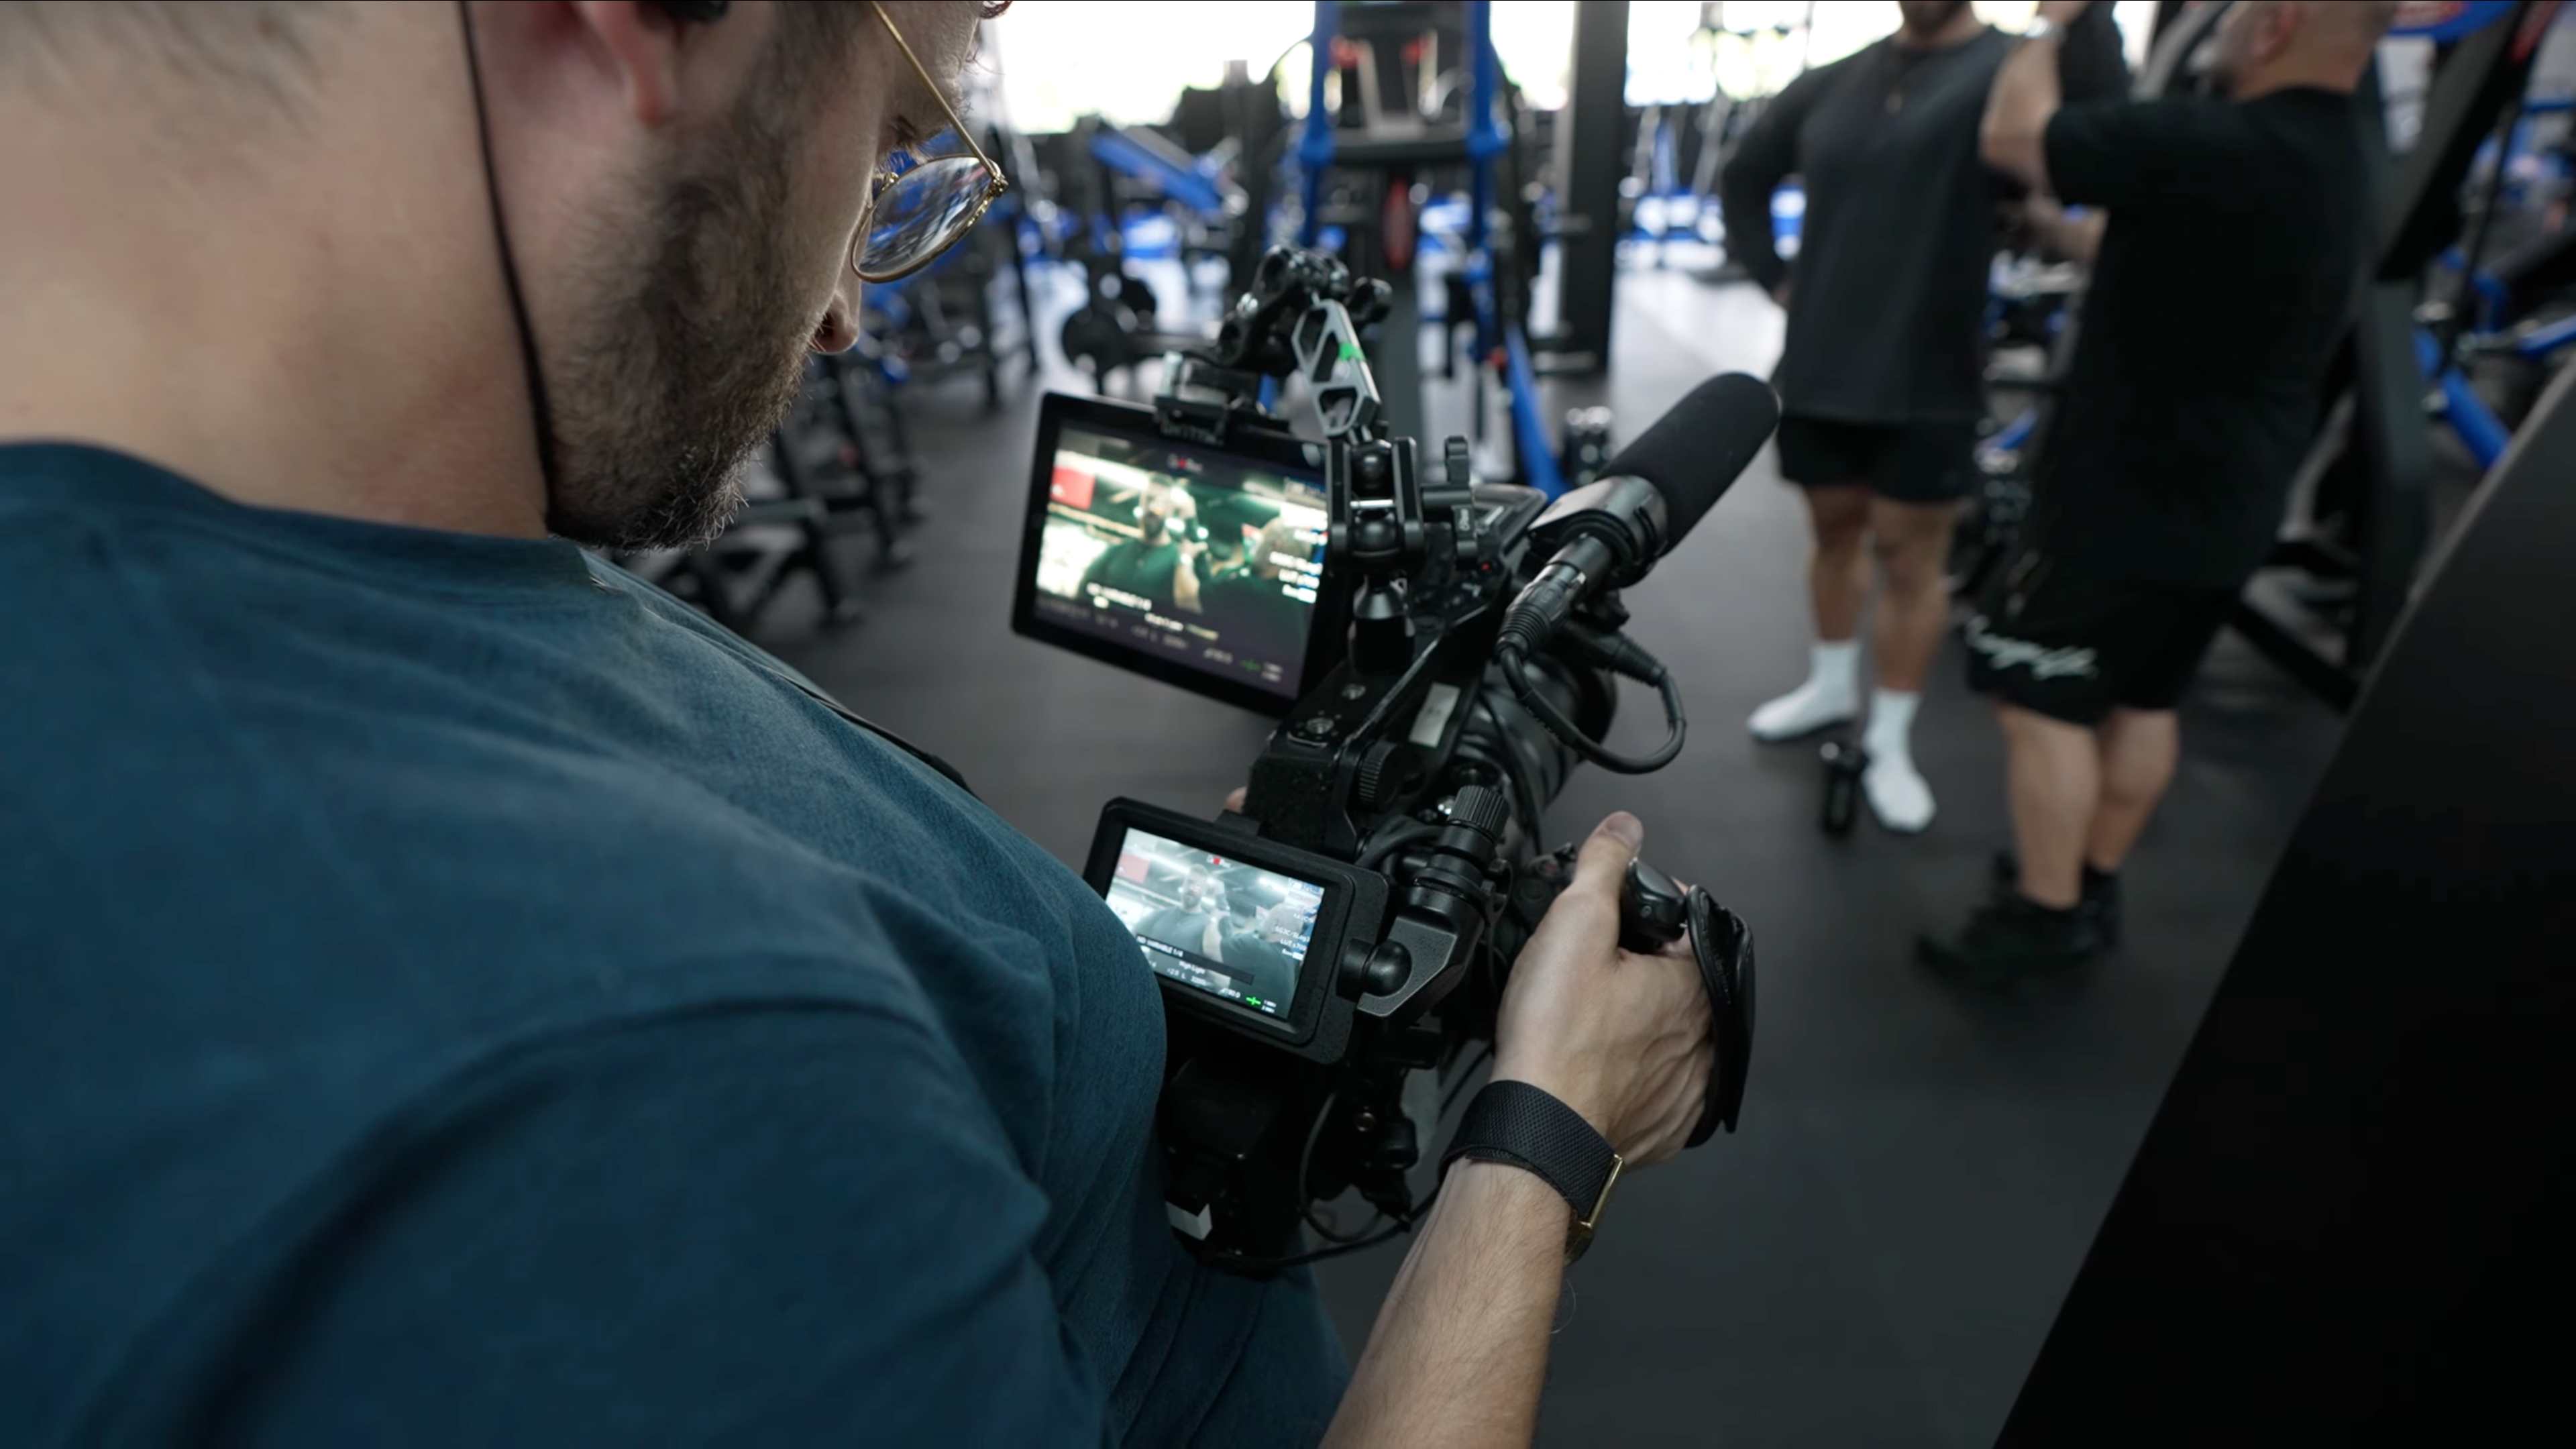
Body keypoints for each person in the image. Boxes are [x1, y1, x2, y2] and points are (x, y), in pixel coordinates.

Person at [0, 2, 1719, 1444]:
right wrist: (1542, 1127)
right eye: (892, 125)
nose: (844, 302)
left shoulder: (392, 565)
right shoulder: (628, 1064)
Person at [1918, 0, 2396, 979]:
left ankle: (2044, 915)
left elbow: (2013, 137)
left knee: (2037, 698)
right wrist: (2064, 232)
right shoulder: (2344, 156)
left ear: (2276, 26)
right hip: (2236, 498)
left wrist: (2048, 27)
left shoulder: (2208, 136)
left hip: (2124, 492)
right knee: (2144, 698)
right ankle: (2089, 882)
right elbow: (2189, 250)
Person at [1719, 0, 2127, 833]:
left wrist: (2064, 29)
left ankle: (1892, 736)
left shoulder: (2013, 66)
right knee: (1833, 533)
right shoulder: (1834, 81)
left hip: (1931, 372)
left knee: (1912, 556)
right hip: (1824, 364)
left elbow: (2088, 135)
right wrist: (1776, 276)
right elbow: (1745, 173)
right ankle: (1832, 685)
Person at [1199, 513, 1317, 667]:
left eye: (1259, 541)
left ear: (1274, 547)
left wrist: (1185, 558)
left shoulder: (1252, 590)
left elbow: (1189, 597)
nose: (1254, 548)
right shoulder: (1300, 605)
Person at [1080, 479, 1205, 612]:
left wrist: (1190, 522)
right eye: (1149, 500)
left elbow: (1198, 602)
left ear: (1171, 509)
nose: (1152, 508)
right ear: (1141, 502)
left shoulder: (1179, 561)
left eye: (1160, 502)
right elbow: (1083, 591)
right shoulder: (1116, 552)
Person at [1138, 865, 1230, 957]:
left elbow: (1226, 947)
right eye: (1189, 882)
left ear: (1204, 891)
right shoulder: (1159, 915)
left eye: (1198, 885)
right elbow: (1130, 938)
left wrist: (1220, 898)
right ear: (1183, 884)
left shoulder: (1209, 927)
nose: (1191, 888)